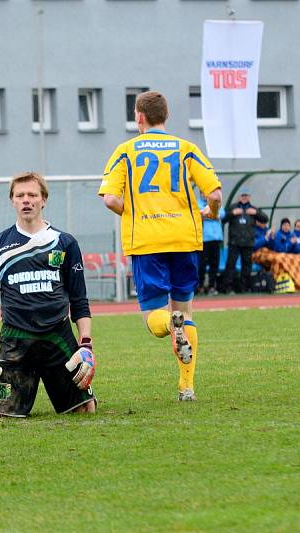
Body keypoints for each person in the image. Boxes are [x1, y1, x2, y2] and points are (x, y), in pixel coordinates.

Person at [98, 91, 222, 402]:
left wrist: (136, 211)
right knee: (185, 308)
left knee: (155, 319)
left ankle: (170, 323)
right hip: (184, 238)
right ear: (165, 116)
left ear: (139, 117)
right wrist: (211, 213)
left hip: (147, 241)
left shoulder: (125, 151)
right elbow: (216, 195)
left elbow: (111, 198)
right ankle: (186, 386)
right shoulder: (187, 148)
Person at [0, 172, 96, 418]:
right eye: (20, 195)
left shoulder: (65, 243)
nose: (26, 200)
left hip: (58, 338)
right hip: (15, 340)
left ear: (43, 200)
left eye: (32, 195)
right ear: (12, 200)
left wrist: (86, 345)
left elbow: (79, 299)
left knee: (85, 409)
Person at [222, 189, 269, 292]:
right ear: (239, 197)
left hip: (248, 243)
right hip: (234, 242)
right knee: (231, 265)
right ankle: (227, 288)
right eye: (243, 195)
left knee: (247, 266)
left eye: (246, 195)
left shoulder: (253, 209)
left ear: (249, 197)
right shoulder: (233, 207)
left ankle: (244, 288)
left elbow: (265, 219)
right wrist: (232, 213)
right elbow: (223, 219)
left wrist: (256, 213)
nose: (244, 197)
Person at [196, 192, 225, 295]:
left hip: (216, 238)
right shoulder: (197, 203)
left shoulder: (215, 202)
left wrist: (209, 215)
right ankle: (200, 286)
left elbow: (222, 214)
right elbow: (199, 214)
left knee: (214, 264)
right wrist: (213, 214)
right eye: (202, 193)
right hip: (204, 239)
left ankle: (212, 286)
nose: (204, 195)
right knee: (202, 264)